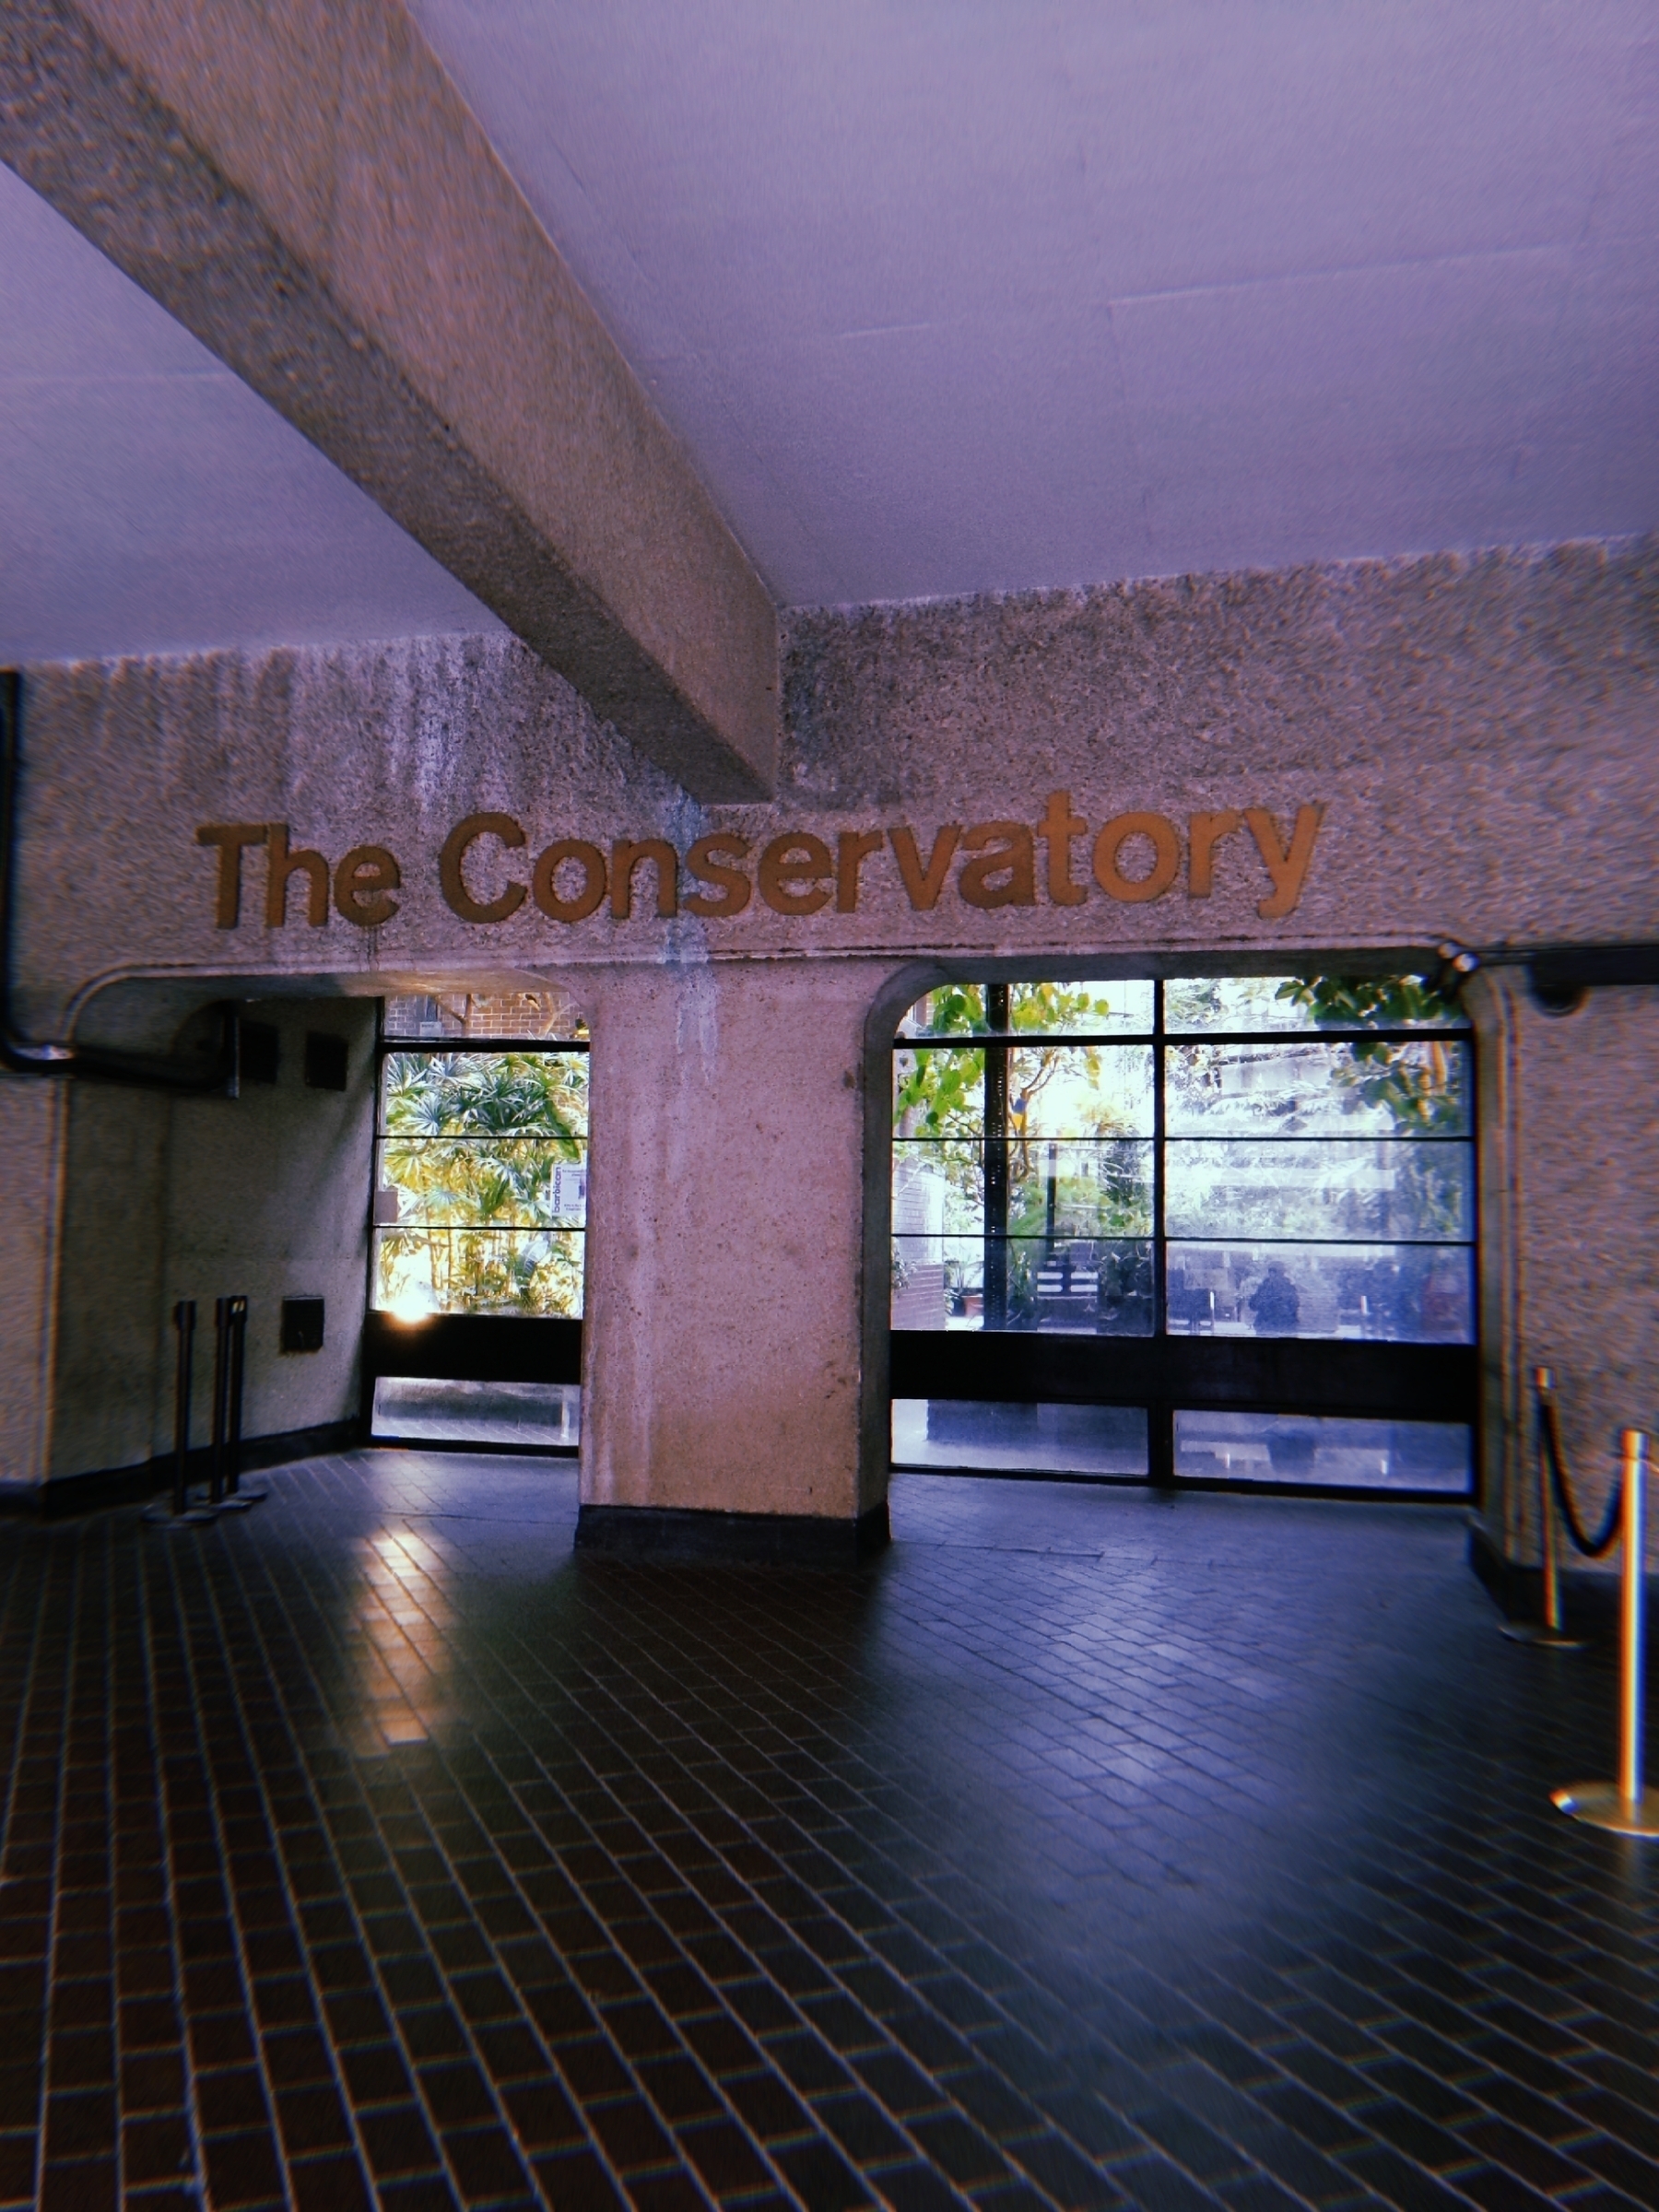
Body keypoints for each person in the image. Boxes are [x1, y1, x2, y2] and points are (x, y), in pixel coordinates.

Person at [1248, 1260, 1300, 1335]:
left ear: (1282, 1273)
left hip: (1283, 1328)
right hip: (1265, 1327)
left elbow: (1293, 1307)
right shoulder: (1264, 1287)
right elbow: (1253, 1305)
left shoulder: (1288, 1288)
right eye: (1271, 1271)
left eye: (1275, 1272)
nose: (1273, 1274)